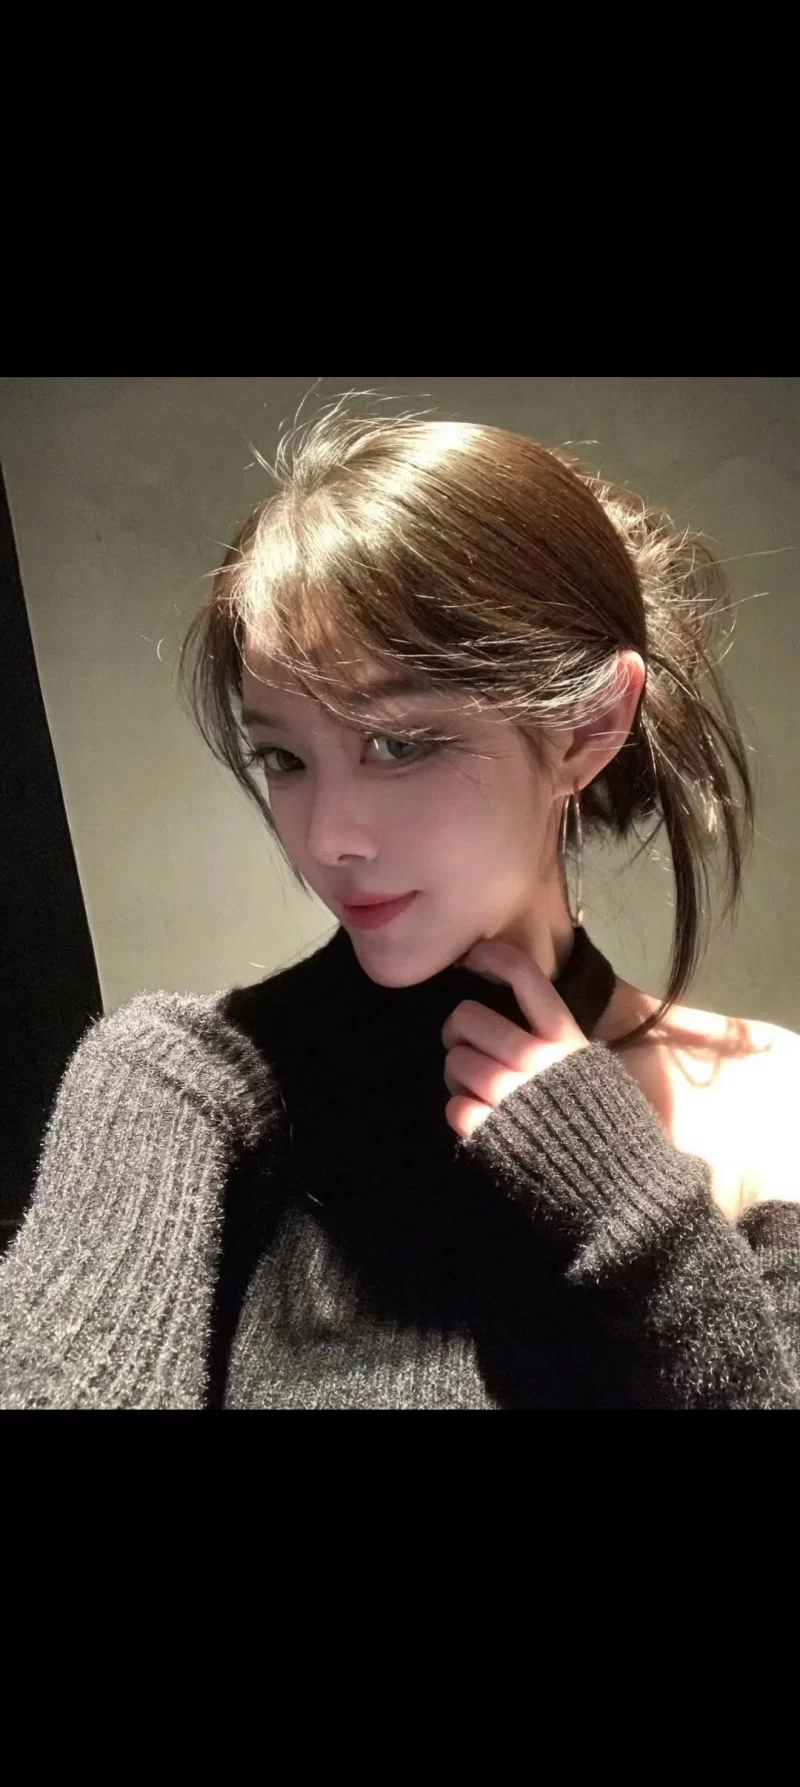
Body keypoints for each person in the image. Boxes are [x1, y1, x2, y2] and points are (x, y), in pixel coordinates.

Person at [2, 401, 798, 1409]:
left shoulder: (766, 1100)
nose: (327, 835)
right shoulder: (178, 1088)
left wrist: (637, 1215)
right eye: (284, 757)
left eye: (397, 742)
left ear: (587, 728)